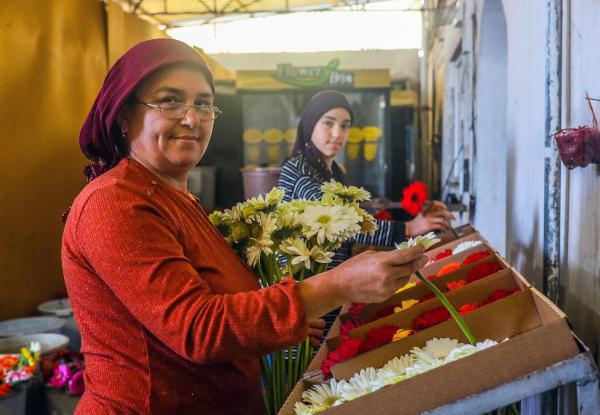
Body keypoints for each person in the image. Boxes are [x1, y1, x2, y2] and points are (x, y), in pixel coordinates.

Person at [61, 38, 428, 414]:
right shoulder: (116, 202)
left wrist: (290, 321)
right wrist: (337, 285)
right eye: (170, 100)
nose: (191, 118)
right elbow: (198, 329)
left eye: (203, 104)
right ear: (124, 115)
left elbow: (215, 303)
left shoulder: (174, 198)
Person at [278, 90, 454, 269]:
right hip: (302, 284)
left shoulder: (334, 172)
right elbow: (336, 219)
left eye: (345, 125)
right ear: (310, 125)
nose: (337, 133)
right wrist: (407, 228)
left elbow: (348, 221)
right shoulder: (299, 168)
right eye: (328, 123)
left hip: (329, 282)